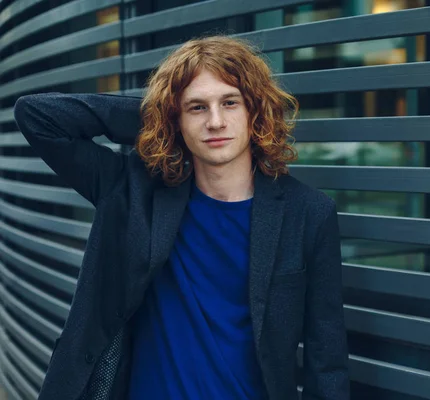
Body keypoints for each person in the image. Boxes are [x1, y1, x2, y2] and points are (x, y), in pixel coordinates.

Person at [14, 36, 349, 400]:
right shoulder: (132, 193)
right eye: (197, 108)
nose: (216, 122)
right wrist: (162, 117)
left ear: (255, 110)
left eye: (230, 102)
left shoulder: (309, 213)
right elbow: (37, 116)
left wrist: (185, 112)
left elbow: (325, 357)